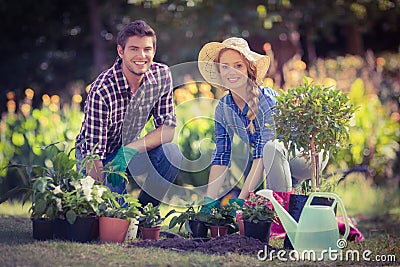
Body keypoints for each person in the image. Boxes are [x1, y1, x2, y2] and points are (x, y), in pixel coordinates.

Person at [197, 37, 329, 211]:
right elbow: (221, 156)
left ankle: (279, 217)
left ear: (249, 70)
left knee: (270, 148)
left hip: (306, 155)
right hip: (278, 161)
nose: (232, 72)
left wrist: (241, 201)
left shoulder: (266, 100)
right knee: (272, 155)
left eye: (238, 65)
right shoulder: (223, 108)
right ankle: (290, 212)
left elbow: (262, 155)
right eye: (225, 66)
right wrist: (209, 200)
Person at [75, 20, 182, 207]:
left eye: (147, 49)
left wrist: (127, 151)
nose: (141, 56)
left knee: (172, 153)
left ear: (153, 51)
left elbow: (168, 130)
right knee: (118, 217)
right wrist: (98, 197)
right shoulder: (102, 90)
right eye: (133, 49)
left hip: (131, 151)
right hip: (99, 159)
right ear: (120, 51)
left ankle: (145, 213)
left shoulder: (161, 75)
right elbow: (93, 155)